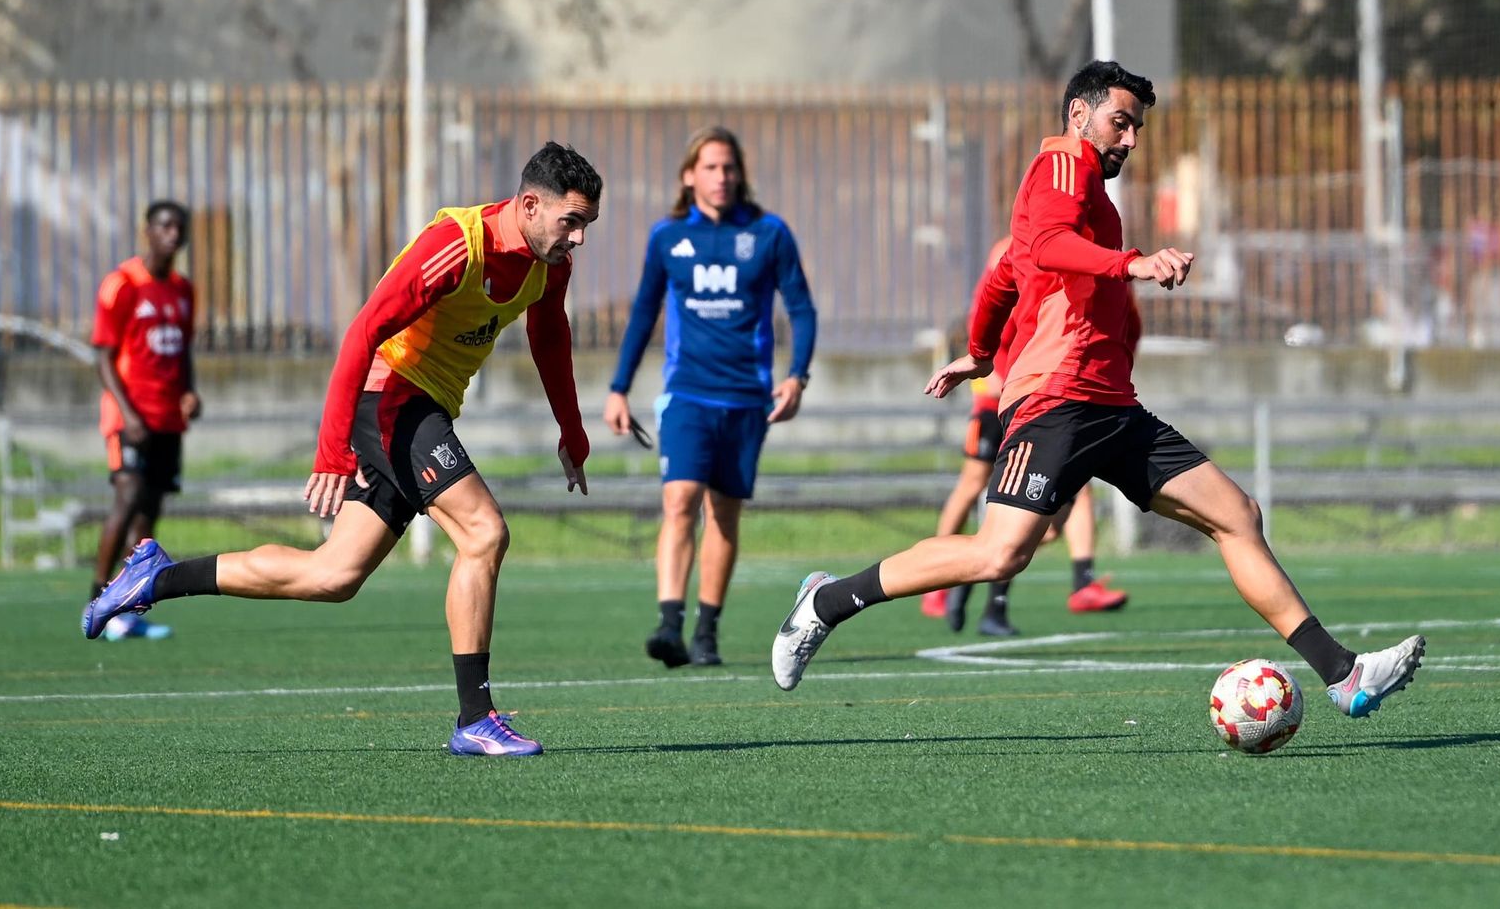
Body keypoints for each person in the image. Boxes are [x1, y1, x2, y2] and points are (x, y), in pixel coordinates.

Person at [772, 61, 1425, 722]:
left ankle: (1343, 674)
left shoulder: (1091, 198)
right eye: (1121, 122)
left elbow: (1003, 275)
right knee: (1000, 554)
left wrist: (980, 352)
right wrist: (1131, 263)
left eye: (1137, 127)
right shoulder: (1064, 164)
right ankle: (826, 602)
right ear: (1079, 115)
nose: (1131, 139)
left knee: (1237, 515)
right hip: (1055, 399)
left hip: (1110, 405)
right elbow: (1049, 246)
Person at [84, 142, 602, 758]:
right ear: (530, 205)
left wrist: (572, 432)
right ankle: (475, 718)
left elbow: (550, 335)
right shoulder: (456, 246)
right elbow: (363, 332)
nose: (578, 238)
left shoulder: (549, 263)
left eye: (586, 225)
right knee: (484, 533)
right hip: (391, 400)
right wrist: (331, 451)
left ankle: (157, 577)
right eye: (572, 221)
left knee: (333, 575)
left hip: (422, 407)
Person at [605, 126, 817, 669]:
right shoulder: (667, 237)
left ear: (739, 174)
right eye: (710, 167)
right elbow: (643, 313)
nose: (721, 177)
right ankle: (669, 623)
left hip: (747, 398)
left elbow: (801, 308)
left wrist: (796, 376)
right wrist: (619, 388)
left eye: (729, 167)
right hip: (687, 395)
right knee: (679, 501)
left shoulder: (768, 234)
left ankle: (706, 630)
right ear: (688, 176)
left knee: (724, 512)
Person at [922, 236, 1129, 635]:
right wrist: (998, 375)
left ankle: (978, 578)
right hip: (1003, 404)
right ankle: (945, 583)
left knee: (1048, 518)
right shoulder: (1014, 251)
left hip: (1045, 401)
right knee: (976, 488)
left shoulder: (1073, 256)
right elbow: (989, 319)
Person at [87, 200, 200, 641]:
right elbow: (103, 355)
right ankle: (97, 600)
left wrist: (188, 391)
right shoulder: (122, 284)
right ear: (147, 231)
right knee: (128, 497)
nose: (173, 234)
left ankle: (126, 608)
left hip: (167, 418)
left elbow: (181, 350)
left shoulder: (183, 289)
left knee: (149, 511)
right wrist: (129, 414)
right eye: (164, 226)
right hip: (129, 417)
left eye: (179, 227)